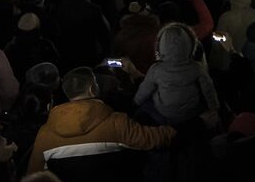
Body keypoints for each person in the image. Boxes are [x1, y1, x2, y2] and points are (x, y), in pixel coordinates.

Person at [28, 66, 176, 172]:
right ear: (93, 89)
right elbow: (155, 138)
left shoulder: (45, 135)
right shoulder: (117, 123)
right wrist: (186, 127)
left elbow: (34, 175)